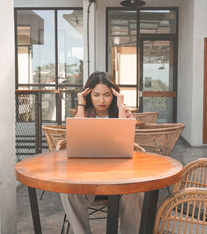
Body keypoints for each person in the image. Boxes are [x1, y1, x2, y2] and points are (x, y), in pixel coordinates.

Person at [60, 71, 144, 234]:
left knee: (137, 194)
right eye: (96, 95)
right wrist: (80, 103)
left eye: (107, 95)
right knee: (68, 194)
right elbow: (79, 139)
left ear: (113, 95)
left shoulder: (123, 113)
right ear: (89, 94)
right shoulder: (84, 113)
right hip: (88, 176)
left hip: (121, 175)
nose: (101, 100)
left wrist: (121, 106)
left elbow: (124, 142)